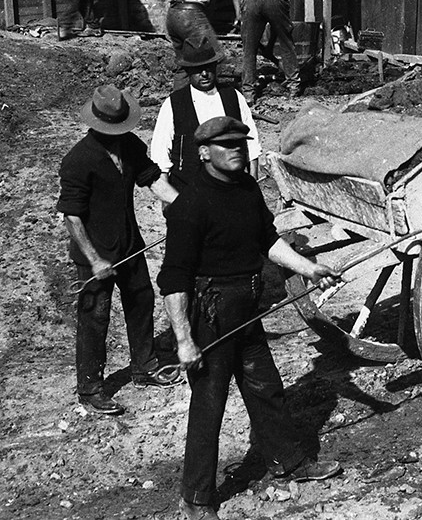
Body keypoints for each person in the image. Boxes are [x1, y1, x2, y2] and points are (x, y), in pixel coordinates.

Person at [159, 116, 342, 519]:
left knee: (265, 387)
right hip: (211, 312)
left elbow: (268, 241)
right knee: (210, 404)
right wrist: (185, 340)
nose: (236, 150)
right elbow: (173, 279)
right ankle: (197, 499)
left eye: (241, 143)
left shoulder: (246, 190)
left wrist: (309, 269)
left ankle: (288, 461)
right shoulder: (190, 205)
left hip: (246, 306)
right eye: (226, 145)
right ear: (204, 153)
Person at [57, 84, 179, 415]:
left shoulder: (128, 145)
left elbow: (152, 179)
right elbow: (72, 216)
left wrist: (184, 206)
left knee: (141, 300)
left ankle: (145, 367)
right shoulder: (78, 160)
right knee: (95, 317)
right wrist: (95, 260)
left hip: (130, 244)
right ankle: (91, 389)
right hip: (94, 254)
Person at [149, 40, 261, 190]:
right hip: (188, 189)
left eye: (208, 68)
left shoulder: (233, 97)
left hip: (230, 188)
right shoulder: (174, 103)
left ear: (215, 67)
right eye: (197, 69)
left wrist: (253, 183)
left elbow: (251, 144)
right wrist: (167, 197)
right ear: (188, 71)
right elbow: (160, 153)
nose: (204, 74)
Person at [230, 0, 301, 104]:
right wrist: (273, 42)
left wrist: (238, 15)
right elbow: (279, 26)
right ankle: (294, 86)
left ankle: (248, 93)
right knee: (286, 43)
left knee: (249, 49)